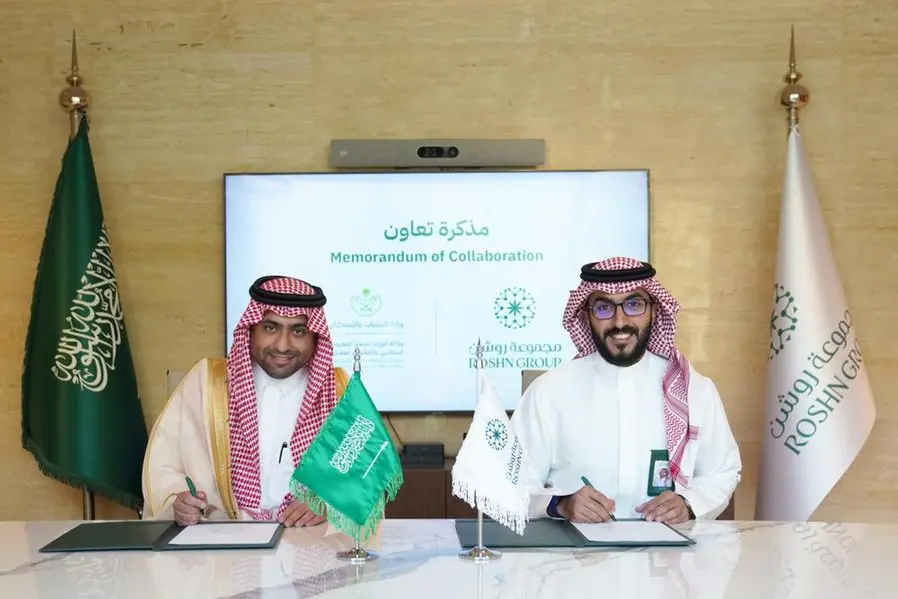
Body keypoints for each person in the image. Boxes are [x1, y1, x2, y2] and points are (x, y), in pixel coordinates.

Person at [512, 256, 741, 524]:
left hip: (668, 548)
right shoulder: (549, 391)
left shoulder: (694, 391)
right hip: (573, 548)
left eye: (634, 305)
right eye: (603, 308)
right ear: (586, 314)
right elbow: (511, 482)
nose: (620, 322)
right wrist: (559, 503)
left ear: (654, 310)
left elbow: (722, 473)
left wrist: (689, 504)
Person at [141, 275, 349, 527]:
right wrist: (177, 501)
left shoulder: (337, 389)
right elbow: (164, 463)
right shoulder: (207, 381)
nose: (283, 345)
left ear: (315, 336)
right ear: (250, 329)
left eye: (298, 331)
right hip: (221, 537)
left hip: (307, 538)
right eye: (270, 327)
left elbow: (366, 474)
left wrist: (330, 501)